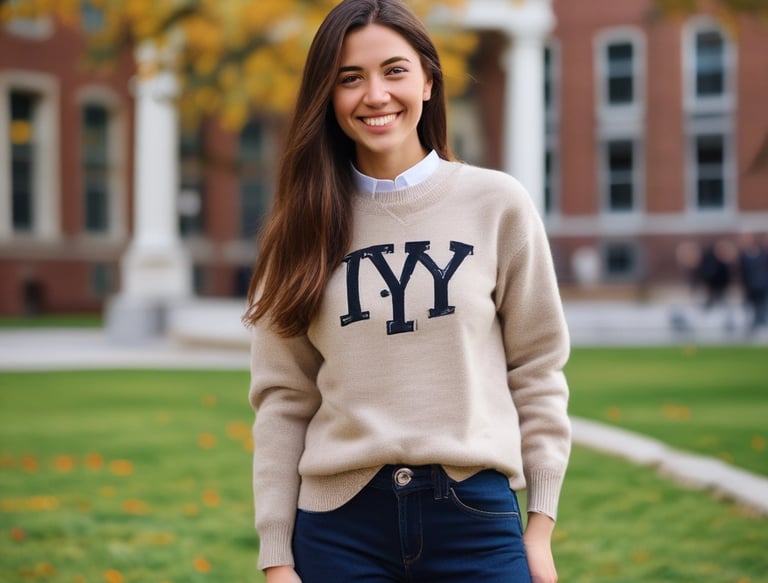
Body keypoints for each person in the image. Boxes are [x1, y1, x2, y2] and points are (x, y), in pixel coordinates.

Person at [243, 1, 571, 582]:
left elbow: (538, 369)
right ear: (328, 94)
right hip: (339, 529)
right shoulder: (298, 227)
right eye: (350, 78)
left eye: (394, 70)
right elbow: (283, 400)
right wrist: (276, 558)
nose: (375, 95)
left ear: (427, 79)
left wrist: (539, 529)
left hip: (475, 518)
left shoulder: (498, 204)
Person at [736, 231, 768, 336]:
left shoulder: (763, 255)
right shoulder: (743, 256)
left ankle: (761, 327)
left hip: (762, 288)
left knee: (762, 308)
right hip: (750, 288)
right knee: (749, 309)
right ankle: (751, 329)